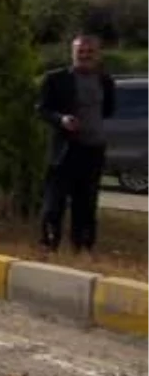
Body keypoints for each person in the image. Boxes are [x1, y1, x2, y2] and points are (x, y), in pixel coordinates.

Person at [37, 34, 115, 256]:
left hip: (93, 149)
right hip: (65, 150)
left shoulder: (105, 81)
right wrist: (61, 119)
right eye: (80, 51)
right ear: (73, 53)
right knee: (55, 201)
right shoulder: (55, 79)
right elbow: (42, 109)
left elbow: (108, 110)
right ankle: (48, 244)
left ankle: (82, 247)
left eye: (90, 52)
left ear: (98, 54)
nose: (85, 55)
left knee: (87, 203)